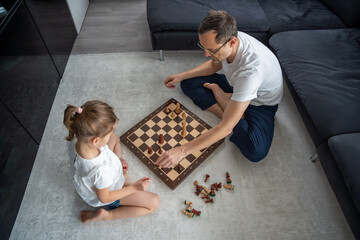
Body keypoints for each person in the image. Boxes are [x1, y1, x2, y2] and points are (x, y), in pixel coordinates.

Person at [156, 10, 283, 168]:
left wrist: (183, 151)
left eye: (212, 50)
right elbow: (215, 64)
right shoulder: (230, 38)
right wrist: (182, 75)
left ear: (232, 42)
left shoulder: (251, 71)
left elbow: (226, 128)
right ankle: (231, 110)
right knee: (188, 82)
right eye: (204, 47)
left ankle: (225, 102)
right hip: (237, 86)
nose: (206, 54)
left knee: (255, 151)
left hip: (260, 103)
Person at [63, 100, 159, 223]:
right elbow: (105, 198)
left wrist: (116, 162)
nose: (111, 134)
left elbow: (109, 141)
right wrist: (134, 188)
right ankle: (107, 215)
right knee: (154, 202)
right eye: (108, 134)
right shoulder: (100, 172)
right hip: (109, 193)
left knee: (115, 138)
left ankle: (123, 175)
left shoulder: (76, 138)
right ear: (96, 141)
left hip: (103, 177)